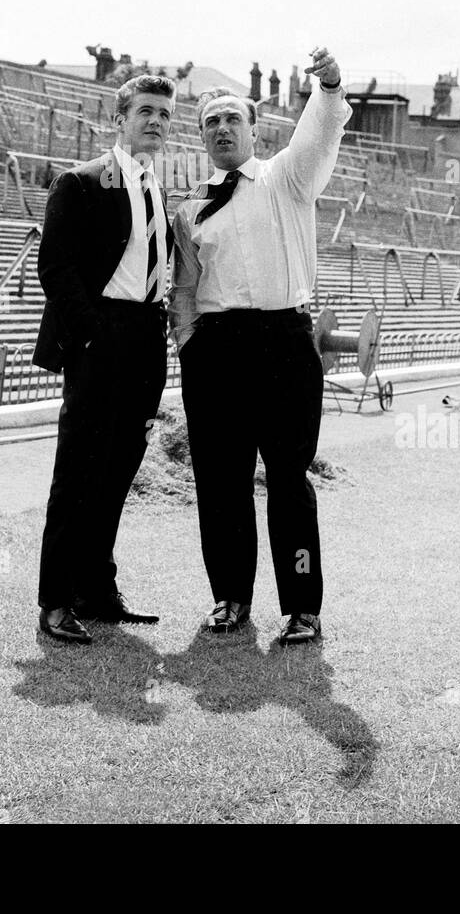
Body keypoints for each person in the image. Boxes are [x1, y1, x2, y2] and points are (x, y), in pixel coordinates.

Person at [170, 46, 349, 645]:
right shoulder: (191, 207)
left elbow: (316, 141)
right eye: (210, 123)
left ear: (254, 129)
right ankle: (230, 598)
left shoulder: (287, 179)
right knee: (220, 482)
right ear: (201, 138)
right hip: (217, 350)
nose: (222, 129)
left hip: (284, 343)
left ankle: (302, 605)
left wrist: (326, 89)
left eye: (232, 119)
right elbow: (186, 287)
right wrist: (190, 347)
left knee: (288, 481)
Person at [32, 74, 176, 644]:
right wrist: (92, 337)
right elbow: (55, 269)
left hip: (145, 337)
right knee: (79, 472)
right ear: (119, 119)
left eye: (164, 115)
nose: (155, 122)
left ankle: (97, 589)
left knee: (119, 472)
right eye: (145, 111)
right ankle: (56, 601)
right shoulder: (83, 182)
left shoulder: (155, 190)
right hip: (101, 337)